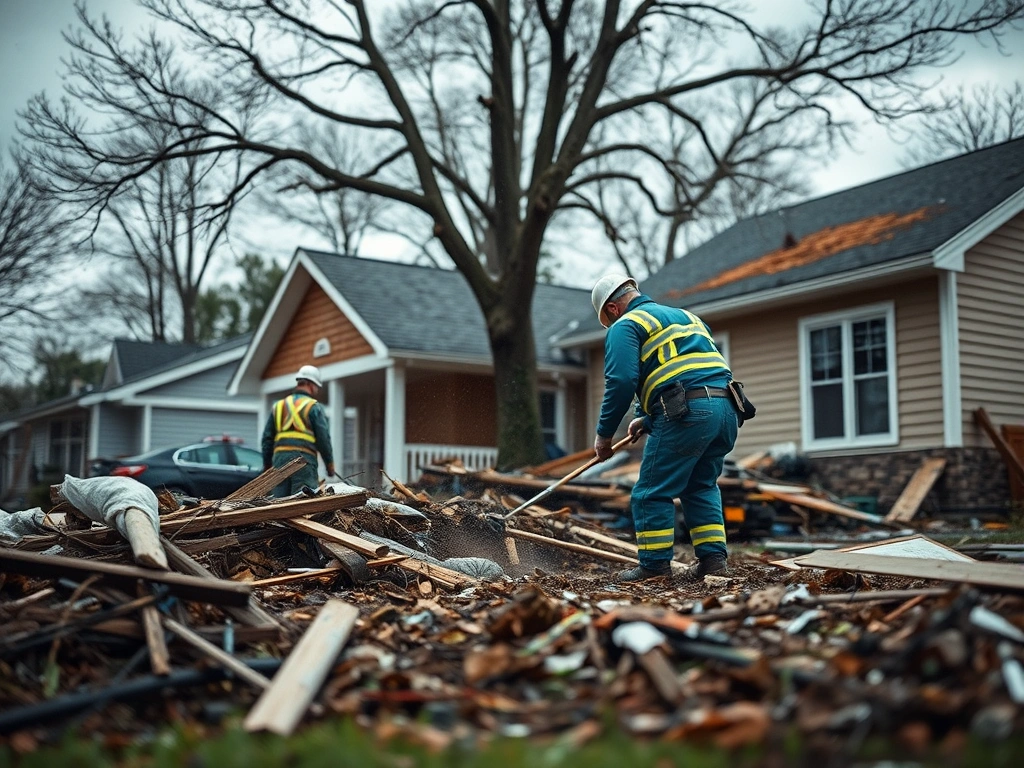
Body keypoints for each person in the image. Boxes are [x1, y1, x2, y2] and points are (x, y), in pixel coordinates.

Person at [591, 274, 738, 582]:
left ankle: (654, 566)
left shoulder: (626, 325)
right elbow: (685, 368)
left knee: (650, 492)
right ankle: (713, 562)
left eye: (608, 319)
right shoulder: (688, 317)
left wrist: (604, 436)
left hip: (689, 412)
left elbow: (621, 381)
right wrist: (646, 418)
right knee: (700, 486)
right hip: (727, 408)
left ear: (613, 309)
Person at [261, 364, 336, 497]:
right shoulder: (313, 407)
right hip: (303, 461)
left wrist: (267, 465)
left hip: (280, 461)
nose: (316, 390)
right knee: (303, 502)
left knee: (279, 503)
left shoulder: (279, 406)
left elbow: (267, 439)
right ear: (310, 384)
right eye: (316, 387)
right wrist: (329, 465)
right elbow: (323, 439)